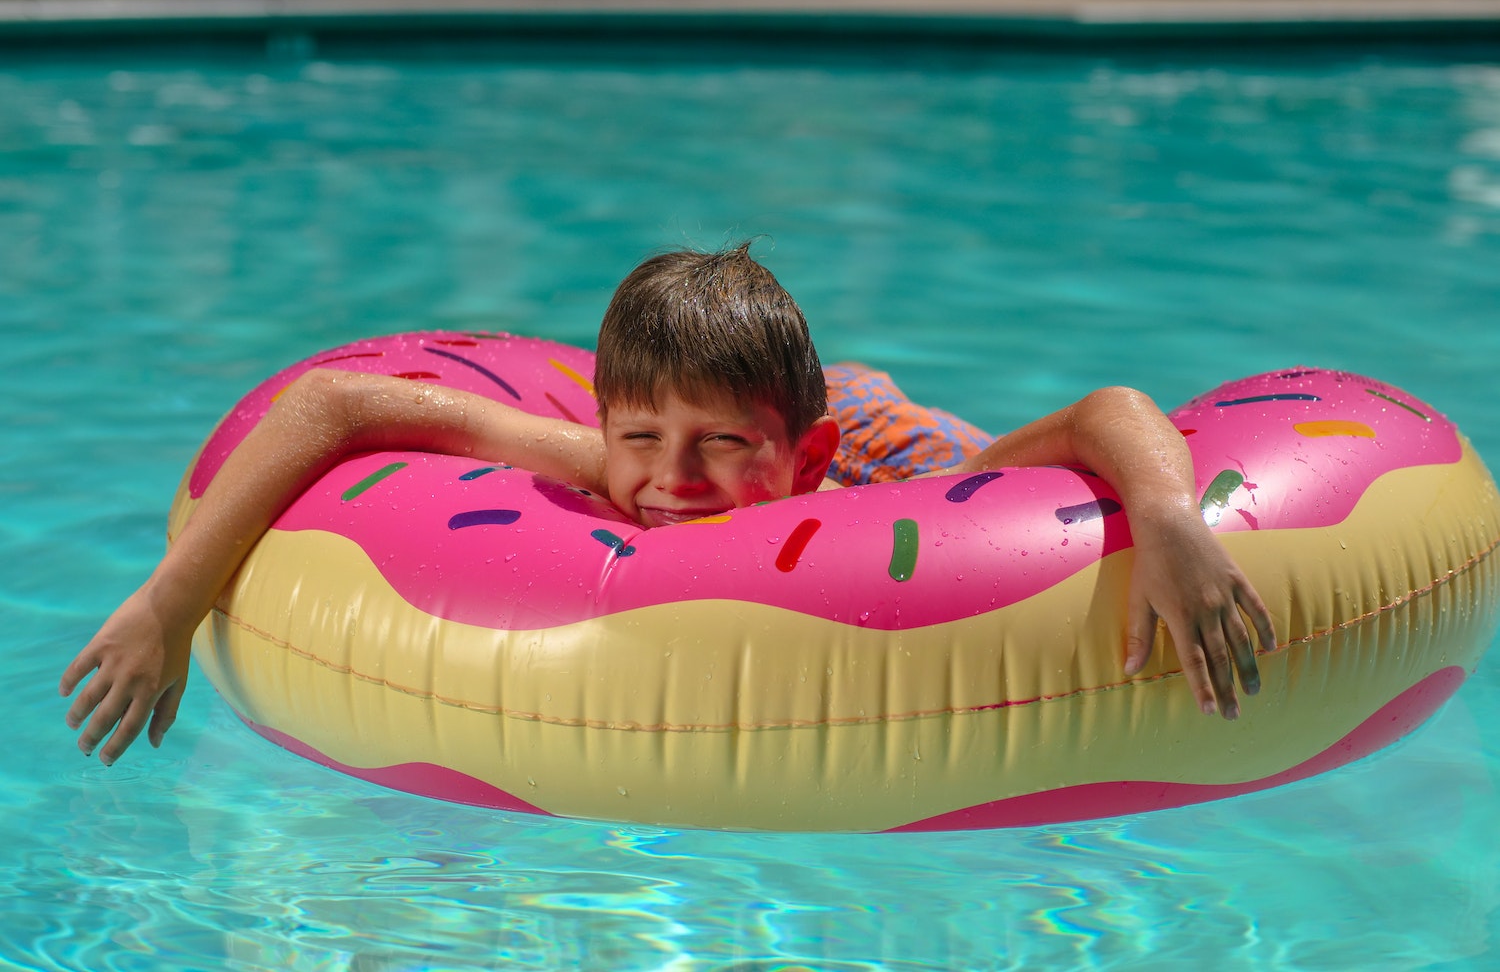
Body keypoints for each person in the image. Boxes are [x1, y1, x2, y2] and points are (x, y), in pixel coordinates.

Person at [61, 243, 1275, 767]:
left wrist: (1167, 517)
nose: (675, 480)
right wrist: (169, 603)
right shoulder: (614, 465)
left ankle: (843, 398)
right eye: (643, 437)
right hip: (798, 420)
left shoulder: (894, 492)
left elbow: (1101, 415)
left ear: (800, 458)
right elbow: (330, 406)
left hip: (882, 436)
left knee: (910, 424)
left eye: (719, 447)